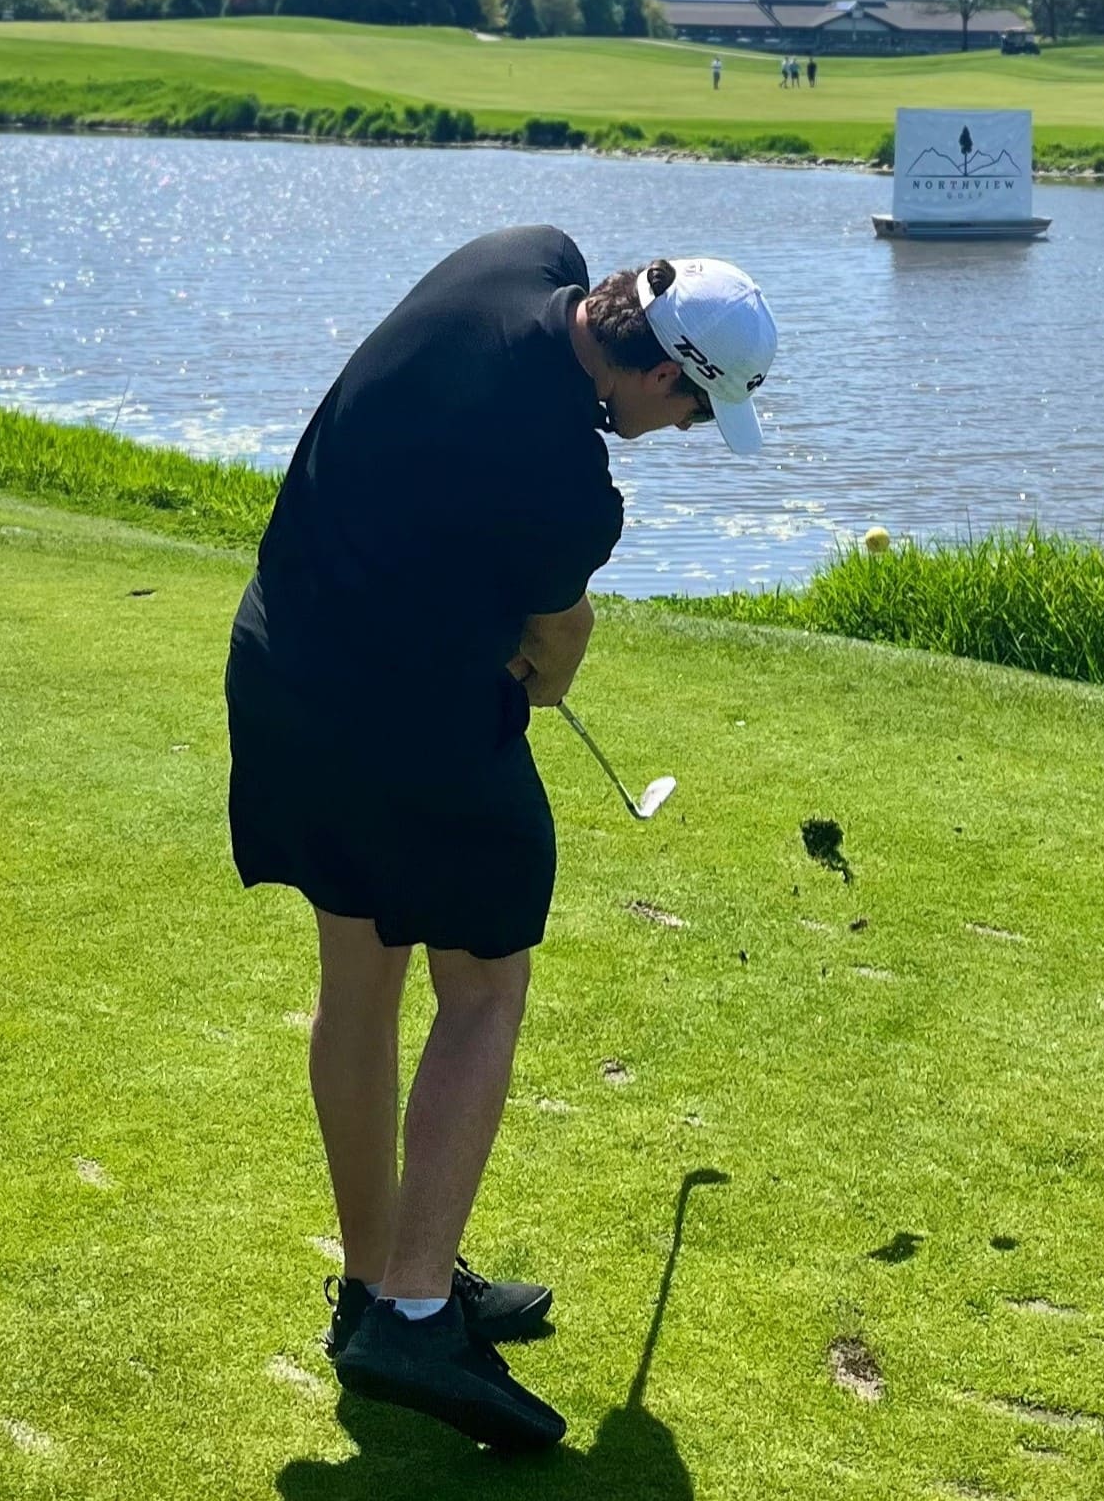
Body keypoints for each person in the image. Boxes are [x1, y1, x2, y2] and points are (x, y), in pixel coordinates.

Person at [224, 228, 777, 1452]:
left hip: (279, 665)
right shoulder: (571, 489)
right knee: (483, 985)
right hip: (399, 720)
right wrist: (533, 649)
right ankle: (417, 1312)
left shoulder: (519, 256)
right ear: (658, 376)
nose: (683, 432)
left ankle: (376, 1285)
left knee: (358, 975)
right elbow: (551, 651)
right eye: (692, 414)